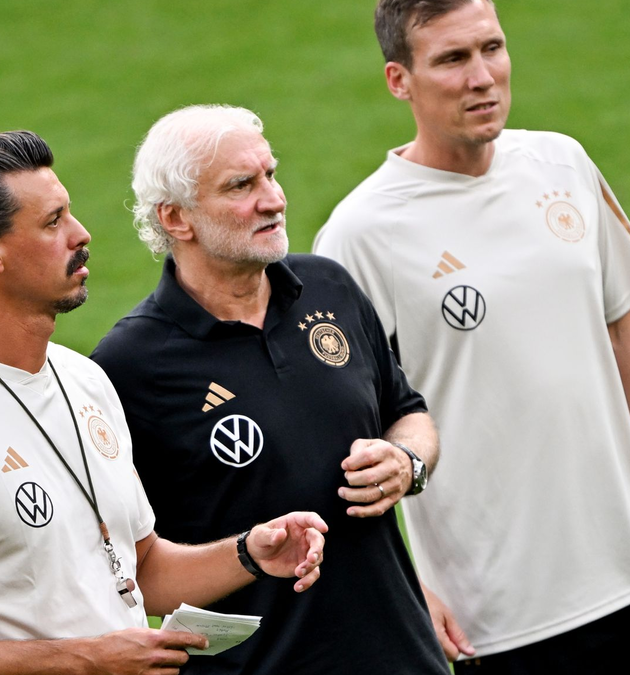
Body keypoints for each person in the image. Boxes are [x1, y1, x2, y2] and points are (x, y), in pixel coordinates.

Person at [312, 0, 630, 672]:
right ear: (399, 80)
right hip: (507, 618)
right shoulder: (359, 234)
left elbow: (622, 325)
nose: (483, 76)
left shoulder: (561, 162)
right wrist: (406, 587)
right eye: (453, 58)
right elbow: (341, 436)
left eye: (492, 48)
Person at [0, 130, 327, 675]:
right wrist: (85, 659)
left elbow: (139, 568)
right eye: (53, 222)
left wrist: (248, 553)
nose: (81, 233)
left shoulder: (85, 381)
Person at [90, 105, 449, 675]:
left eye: (270, 175)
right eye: (241, 185)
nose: (274, 199)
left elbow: (409, 413)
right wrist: (245, 554)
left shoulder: (329, 287)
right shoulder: (127, 368)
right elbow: (120, 564)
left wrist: (407, 462)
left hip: (403, 657)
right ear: (176, 219)